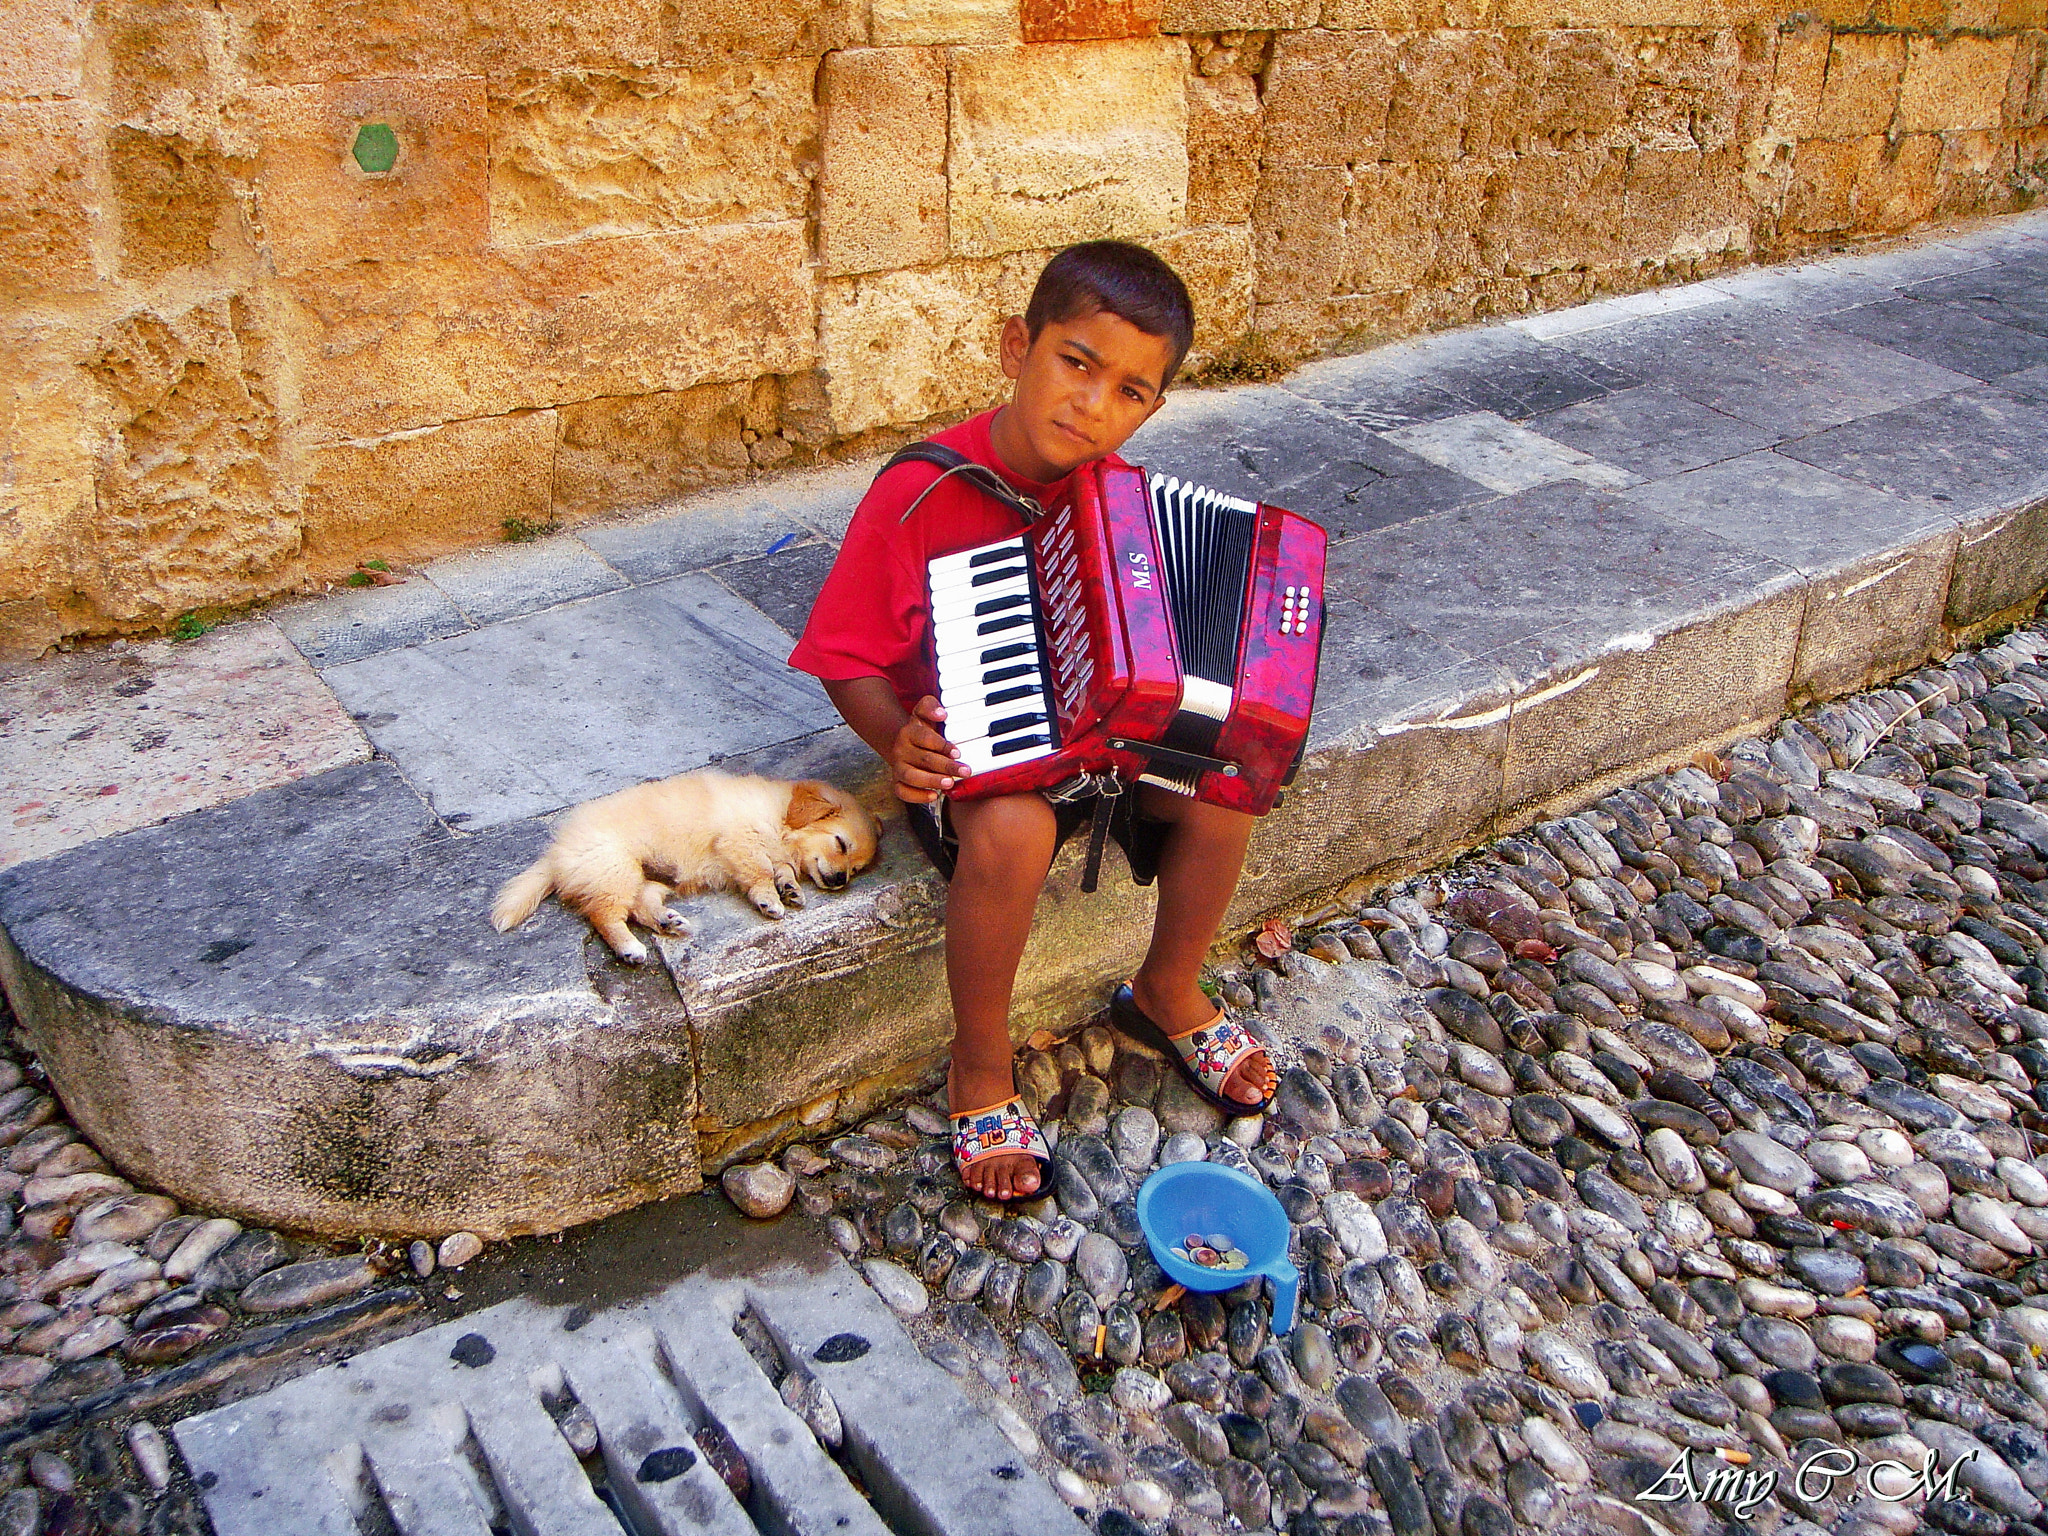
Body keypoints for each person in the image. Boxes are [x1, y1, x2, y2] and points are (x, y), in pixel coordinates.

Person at [789, 241, 1277, 1203]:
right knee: (1015, 825)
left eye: (1130, 391)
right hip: (980, 750)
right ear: (1018, 348)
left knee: (1230, 788)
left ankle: (1169, 989)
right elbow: (843, 654)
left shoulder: (1124, 504)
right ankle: (979, 1063)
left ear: (1152, 408)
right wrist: (897, 741)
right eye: (1077, 363)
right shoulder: (921, 490)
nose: (1094, 405)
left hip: (1106, 749)